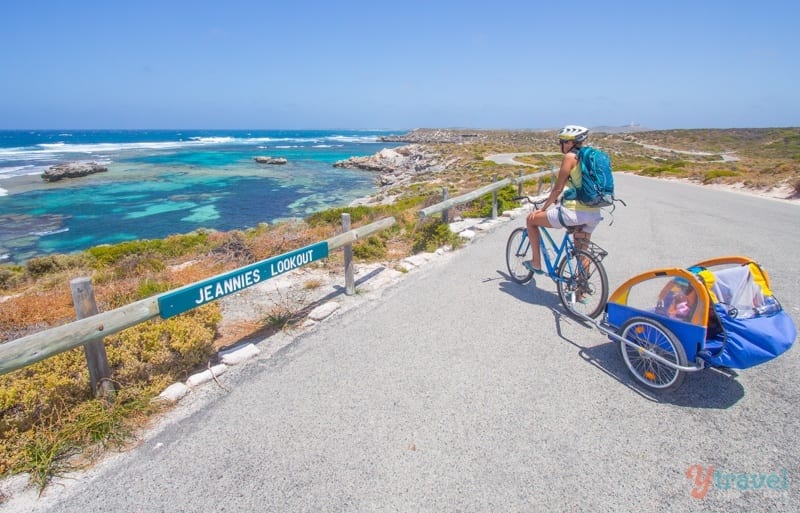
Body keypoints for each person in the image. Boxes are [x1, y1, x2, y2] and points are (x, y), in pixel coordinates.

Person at [523, 125, 603, 274]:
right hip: (593, 213)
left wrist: (543, 208)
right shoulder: (591, 157)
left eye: (562, 142)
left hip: (574, 213)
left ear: (569, 142)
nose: (561, 145)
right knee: (582, 252)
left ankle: (536, 263)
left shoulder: (570, 157)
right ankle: (581, 292)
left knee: (531, 220)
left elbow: (557, 188)